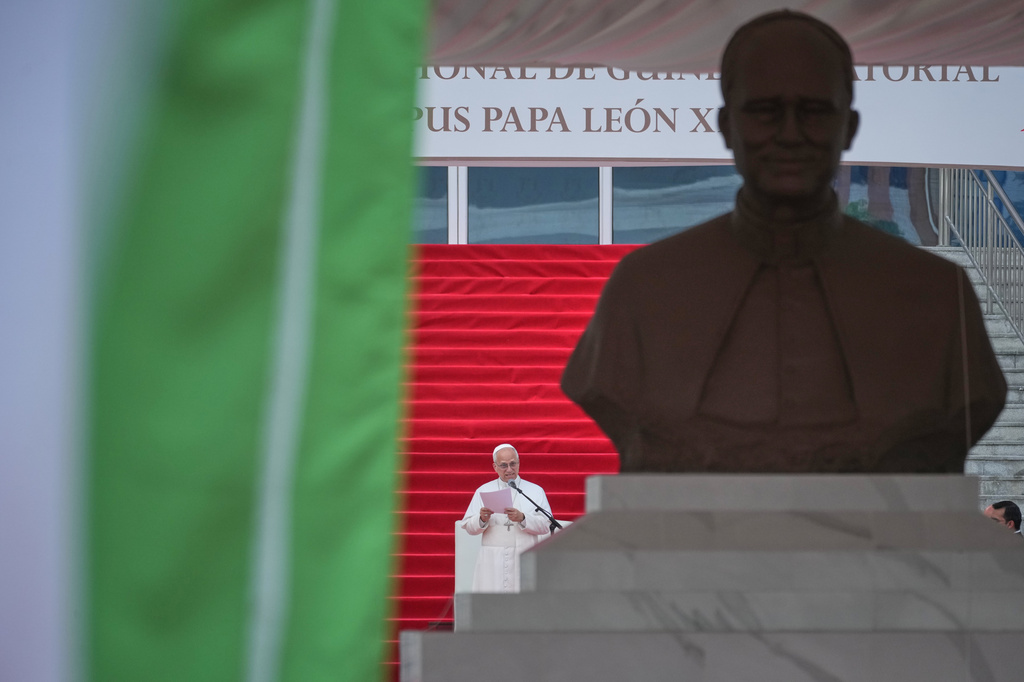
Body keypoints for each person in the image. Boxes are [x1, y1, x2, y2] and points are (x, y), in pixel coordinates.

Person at [562, 10, 1007, 473]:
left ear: (849, 128)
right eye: (764, 112)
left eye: (814, 111)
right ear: (726, 126)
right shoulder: (643, 289)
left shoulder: (936, 295)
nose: (790, 134)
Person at [460, 444, 553, 592]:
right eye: (503, 465)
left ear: (519, 463)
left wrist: (523, 518)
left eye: (513, 464)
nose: (509, 469)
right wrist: (481, 519)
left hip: (524, 557)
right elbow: (469, 527)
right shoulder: (483, 491)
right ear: (494, 467)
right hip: (492, 562)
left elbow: (547, 525)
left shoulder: (535, 491)